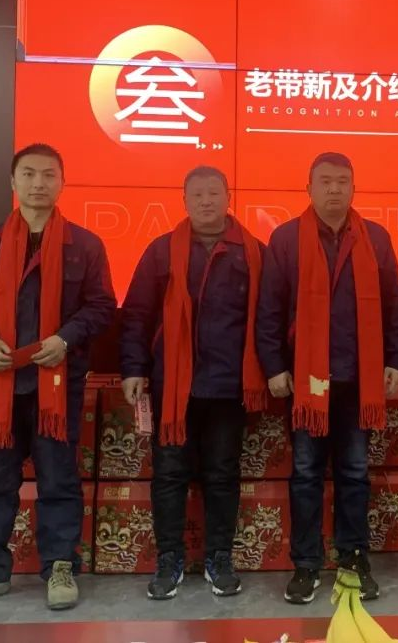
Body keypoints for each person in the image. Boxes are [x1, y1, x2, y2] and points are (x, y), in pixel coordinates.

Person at [0, 143, 115, 611]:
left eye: (49, 175)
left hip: (56, 385)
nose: (39, 183)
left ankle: (60, 567)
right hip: (0, 384)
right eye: (30, 174)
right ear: (13, 182)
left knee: (59, 479)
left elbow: (101, 306)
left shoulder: (85, 246)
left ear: (63, 182)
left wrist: (66, 338)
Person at [256, 152, 398, 604]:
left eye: (343, 181)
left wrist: (395, 359)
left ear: (354, 188)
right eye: (325, 181)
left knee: (355, 473)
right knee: (305, 473)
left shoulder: (375, 238)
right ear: (309, 189)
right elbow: (269, 309)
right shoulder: (286, 239)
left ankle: (353, 559)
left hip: (358, 379)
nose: (334, 189)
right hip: (305, 382)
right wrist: (273, 366)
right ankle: (306, 564)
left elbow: (394, 305)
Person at [119, 166, 266, 599]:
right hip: (172, 388)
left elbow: (269, 320)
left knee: (222, 474)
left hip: (228, 387)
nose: (206, 201)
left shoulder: (253, 252)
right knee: (169, 475)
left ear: (228, 197)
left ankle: (220, 557)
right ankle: (169, 559)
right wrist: (133, 368)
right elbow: (137, 315)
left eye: (213, 193)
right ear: (184, 201)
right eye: (197, 194)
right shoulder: (161, 251)